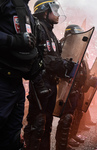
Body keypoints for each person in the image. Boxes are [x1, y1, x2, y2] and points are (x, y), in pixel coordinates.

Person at [23, 1, 74, 149]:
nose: (57, 14)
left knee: (47, 124)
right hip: (40, 82)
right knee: (37, 123)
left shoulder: (51, 33)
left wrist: (64, 65)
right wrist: (58, 64)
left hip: (51, 83)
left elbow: (54, 57)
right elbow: (36, 55)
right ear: (45, 11)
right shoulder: (37, 27)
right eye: (55, 10)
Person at [0, 0, 42, 149]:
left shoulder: (25, 8)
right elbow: (18, 40)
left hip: (17, 84)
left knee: (13, 139)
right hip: (2, 80)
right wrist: (13, 40)